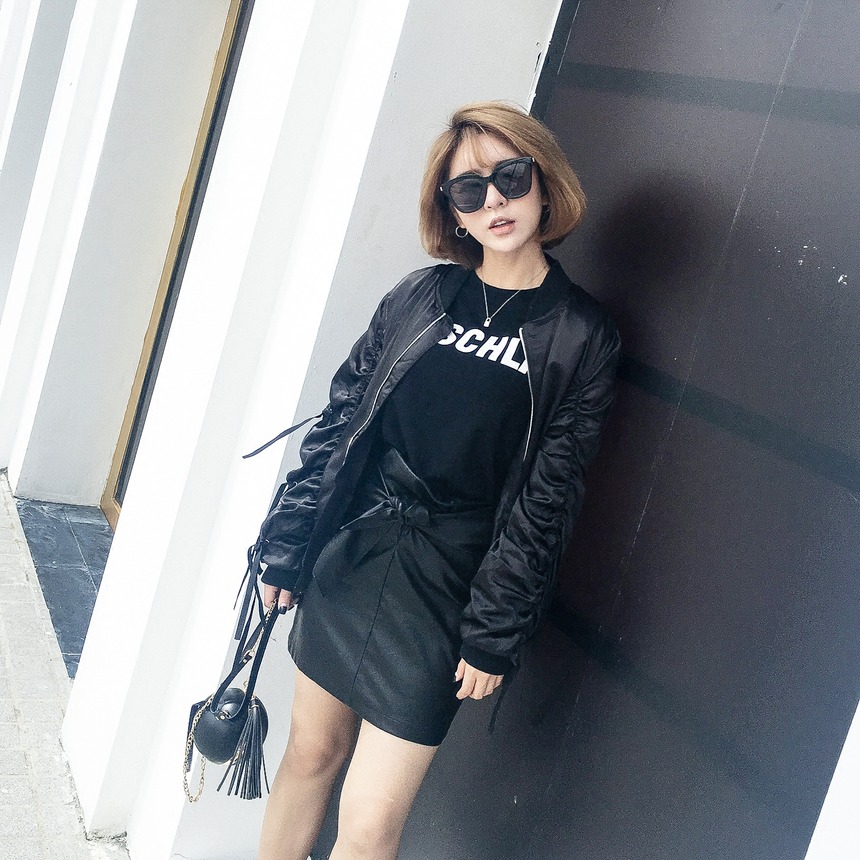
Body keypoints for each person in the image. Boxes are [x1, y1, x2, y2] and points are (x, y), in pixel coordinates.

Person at [256, 101, 621, 860]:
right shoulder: (421, 297)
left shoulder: (579, 335)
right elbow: (342, 424)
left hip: (449, 587)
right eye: (469, 190)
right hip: (355, 556)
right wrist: (287, 547)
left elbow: (547, 499)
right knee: (311, 755)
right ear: (451, 211)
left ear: (543, 182)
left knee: (369, 824)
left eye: (509, 177)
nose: (494, 202)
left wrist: (493, 632)